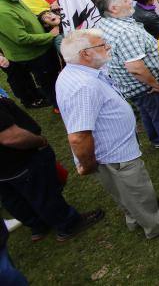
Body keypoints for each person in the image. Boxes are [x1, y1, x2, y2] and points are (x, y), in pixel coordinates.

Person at [56, 30, 159, 238]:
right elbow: (78, 136)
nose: (108, 47)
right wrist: (87, 163)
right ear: (85, 54)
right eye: (102, 45)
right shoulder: (82, 86)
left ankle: (134, 216)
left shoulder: (77, 73)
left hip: (110, 150)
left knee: (122, 190)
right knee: (136, 187)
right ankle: (156, 224)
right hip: (114, 153)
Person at [0, 94, 104, 243]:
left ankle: (37, 225)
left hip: (5, 169)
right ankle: (68, 224)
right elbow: (12, 137)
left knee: (13, 198)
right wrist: (39, 141)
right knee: (43, 193)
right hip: (19, 161)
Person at [95, 0, 159, 151]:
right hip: (146, 86)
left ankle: (156, 139)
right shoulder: (126, 33)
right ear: (113, 8)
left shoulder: (105, 23)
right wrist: (155, 85)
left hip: (132, 87)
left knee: (148, 112)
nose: (130, 1)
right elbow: (136, 67)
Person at [0, 0, 61, 109]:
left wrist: (43, 18)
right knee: (48, 82)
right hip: (33, 55)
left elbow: (28, 18)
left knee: (51, 78)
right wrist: (50, 35)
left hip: (41, 49)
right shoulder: (3, 11)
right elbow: (21, 38)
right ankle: (60, 105)